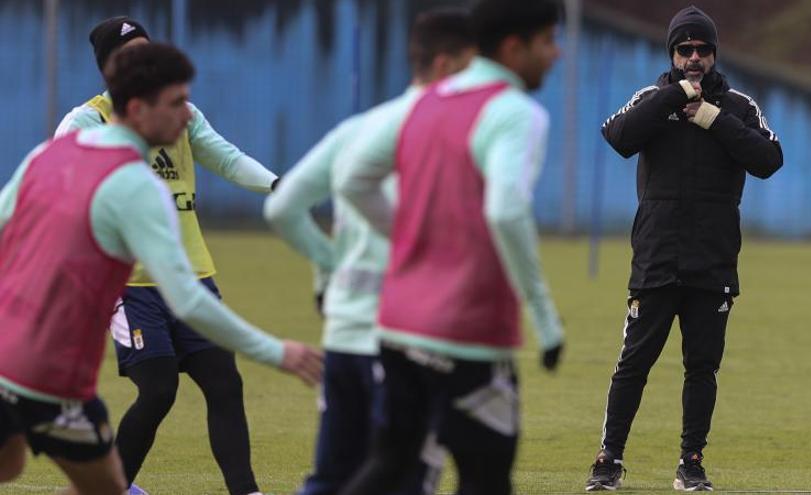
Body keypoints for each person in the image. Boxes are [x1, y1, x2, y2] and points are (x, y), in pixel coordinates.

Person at [0, 43, 322, 495]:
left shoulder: (44, 156)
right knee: (105, 485)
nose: (187, 115)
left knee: (12, 465)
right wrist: (276, 352)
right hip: (49, 376)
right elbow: (187, 299)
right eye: (175, 103)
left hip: (6, 360)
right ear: (136, 108)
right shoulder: (135, 185)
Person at [333, 1, 564, 494]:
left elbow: (352, 179)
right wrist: (544, 318)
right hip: (469, 333)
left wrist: (411, 238)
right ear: (512, 47)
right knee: (486, 479)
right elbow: (506, 210)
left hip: (398, 325)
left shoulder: (424, 100)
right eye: (548, 40)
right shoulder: (516, 113)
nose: (557, 53)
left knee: (391, 461)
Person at [55, 17, 280, 495]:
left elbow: (227, 157)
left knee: (225, 383)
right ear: (107, 69)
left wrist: (279, 185)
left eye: (147, 49)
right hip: (127, 284)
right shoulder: (85, 122)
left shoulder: (180, 114)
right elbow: (55, 187)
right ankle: (111, 488)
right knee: (158, 390)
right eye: (129, 53)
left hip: (190, 275)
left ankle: (247, 491)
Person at [264, 9, 477, 494]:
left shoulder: (358, 128)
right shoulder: (443, 133)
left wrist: (330, 262)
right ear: (447, 65)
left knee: (332, 477)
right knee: (406, 478)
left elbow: (282, 209)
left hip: (343, 334)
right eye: (472, 67)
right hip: (407, 338)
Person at [584, 5, 783, 492]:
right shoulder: (653, 98)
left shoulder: (738, 106)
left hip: (713, 259)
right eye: (684, 49)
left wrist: (713, 119)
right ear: (672, 54)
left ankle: (691, 462)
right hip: (656, 255)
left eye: (702, 49)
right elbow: (618, 135)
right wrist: (675, 95)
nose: (694, 58)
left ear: (715, 52)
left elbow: (769, 160)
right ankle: (608, 459)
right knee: (634, 363)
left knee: (702, 367)